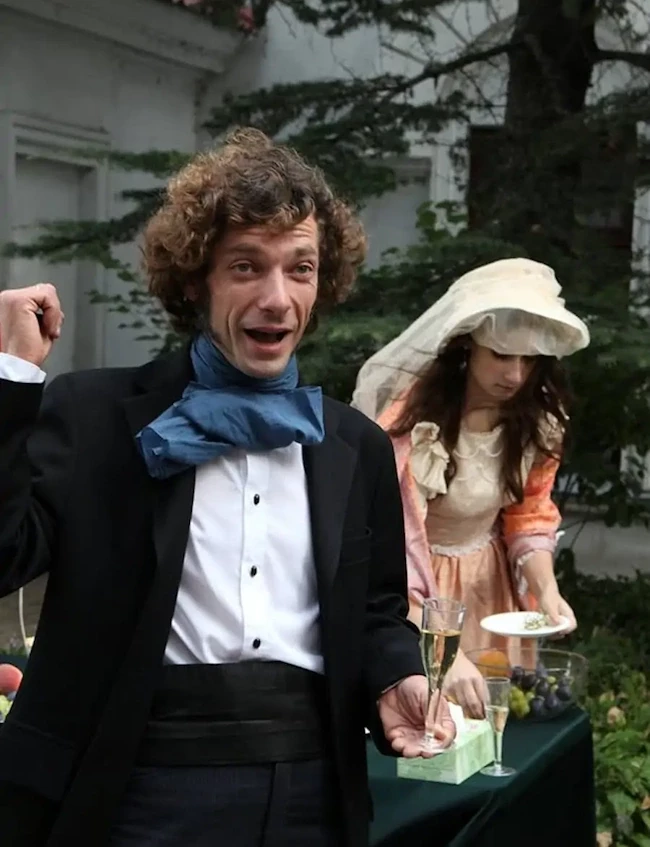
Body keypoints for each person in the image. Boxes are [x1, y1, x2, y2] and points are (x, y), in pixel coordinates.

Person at [0, 128, 454, 847]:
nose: (278, 298)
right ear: (195, 280)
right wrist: (11, 379)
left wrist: (398, 676)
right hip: (135, 786)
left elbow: (375, 614)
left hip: (313, 791)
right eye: (247, 266)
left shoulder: (357, 446)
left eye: (300, 269)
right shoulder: (93, 416)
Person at [351, 258, 590, 718]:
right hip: (417, 595)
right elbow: (387, 549)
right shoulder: (413, 428)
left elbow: (529, 514)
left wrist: (546, 589)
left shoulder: (536, 421)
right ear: (468, 346)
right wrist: (441, 642)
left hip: (490, 587)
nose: (515, 375)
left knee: (497, 716)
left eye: (528, 360)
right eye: (501, 355)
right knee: (434, 723)